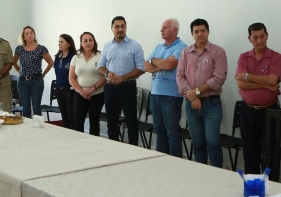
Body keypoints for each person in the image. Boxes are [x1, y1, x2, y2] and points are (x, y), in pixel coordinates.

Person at [176, 19, 228, 167]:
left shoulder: (218, 52)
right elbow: (180, 77)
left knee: (213, 142)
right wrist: (192, 97)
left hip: (211, 104)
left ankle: (217, 174)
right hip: (191, 104)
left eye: (203, 30)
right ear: (192, 34)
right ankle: (201, 173)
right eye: (196, 31)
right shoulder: (185, 52)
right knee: (197, 143)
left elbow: (219, 78)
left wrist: (196, 92)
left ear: (208, 31)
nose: (200, 34)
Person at [234, 22, 281, 174]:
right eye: (255, 37)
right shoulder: (243, 57)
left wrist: (248, 77)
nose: (259, 40)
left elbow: (273, 80)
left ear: (267, 36)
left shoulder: (276, 57)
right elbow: (240, 83)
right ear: (249, 39)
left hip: (270, 111)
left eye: (262, 36)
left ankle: (271, 185)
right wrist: (266, 84)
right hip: (247, 111)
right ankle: (253, 185)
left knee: (270, 154)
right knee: (250, 154)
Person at [143, 19, 186, 157]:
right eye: (162, 27)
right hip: (155, 94)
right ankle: (162, 160)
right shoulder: (158, 47)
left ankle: (176, 162)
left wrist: (155, 61)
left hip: (171, 96)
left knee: (172, 131)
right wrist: (160, 63)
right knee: (159, 130)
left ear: (174, 30)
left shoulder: (181, 47)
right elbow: (145, 66)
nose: (161, 30)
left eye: (165, 27)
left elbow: (170, 65)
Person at [98, 16, 144, 145]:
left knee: (131, 123)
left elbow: (141, 68)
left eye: (122, 26)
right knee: (111, 123)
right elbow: (100, 66)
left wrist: (124, 77)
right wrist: (107, 73)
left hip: (128, 88)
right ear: (112, 28)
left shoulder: (135, 45)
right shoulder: (107, 46)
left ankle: (133, 151)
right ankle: (114, 150)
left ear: (126, 28)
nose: (120, 29)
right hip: (110, 88)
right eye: (117, 27)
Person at [69, 32, 106, 135]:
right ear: (81, 43)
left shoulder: (101, 56)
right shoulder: (76, 57)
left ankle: (93, 144)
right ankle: (79, 143)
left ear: (94, 42)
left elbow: (105, 76)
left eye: (91, 40)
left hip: (97, 94)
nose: (88, 43)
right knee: (78, 122)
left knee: (94, 122)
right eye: (85, 41)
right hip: (80, 94)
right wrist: (82, 91)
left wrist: (92, 89)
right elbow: (71, 78)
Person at [13, 26, 53, 118]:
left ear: (34, 35)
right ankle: (27, 127)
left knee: (36, 108)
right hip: (23, 81)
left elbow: (51, 63)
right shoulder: (19, 49)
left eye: (31, 33)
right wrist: (20, 71)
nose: (29, 35)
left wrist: (43, 75)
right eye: (27, 33)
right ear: (24, 37)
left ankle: (38, 126)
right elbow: (14, 62)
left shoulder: (41, 48)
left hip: (36, 80)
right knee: (26, 108)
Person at [53, 34, 76, 127]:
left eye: (62, 42)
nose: (59, 44)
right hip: (59, 89)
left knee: (71, 116)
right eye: (59, 42)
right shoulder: (57, 57)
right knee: (64, 116)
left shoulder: (73, 57)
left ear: (69, 44)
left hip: (70, 90)